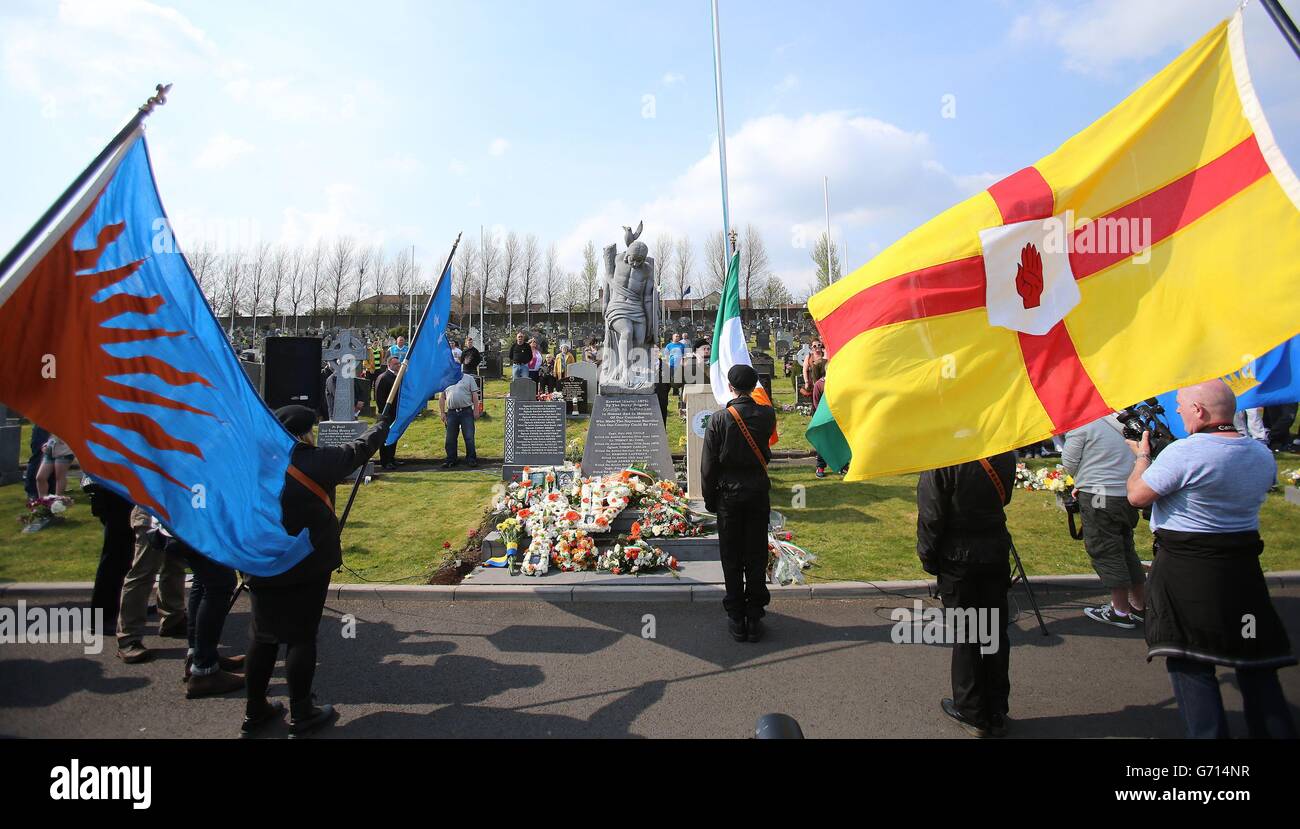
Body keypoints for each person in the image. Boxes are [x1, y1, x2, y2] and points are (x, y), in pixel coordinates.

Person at [1125, 379, 1296, 739]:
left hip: (1188, 570)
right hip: (1242, 569)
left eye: (1182, 405)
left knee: (1191, 662)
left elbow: (1138, 496)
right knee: (1253, 660)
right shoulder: (1261, 455)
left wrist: (1141, 457)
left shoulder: (1185, 453)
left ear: (1199, 411)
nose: (1177, 411)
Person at [242, 405, 391, 739]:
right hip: (305, 565)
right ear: (305, 432)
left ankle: (254, 710)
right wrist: (383, 423)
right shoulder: (313, 461)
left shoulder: (254, 464)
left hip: (262, 562)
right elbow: (358, 450)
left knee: (262, 637)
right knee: (300, 637)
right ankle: (301, 710)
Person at [916, 451, 1017, 738]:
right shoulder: (1004, 451)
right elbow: (1003, 497)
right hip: (993, 550)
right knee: (994, 633)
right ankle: (996, 710)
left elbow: (932, 513)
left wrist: (928, 557)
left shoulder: (945, 455)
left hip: (959, 556)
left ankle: (972, 711)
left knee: (968, 636)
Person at [701, 365, 776, 643]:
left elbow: (709, 465)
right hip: (756, 491)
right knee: (755, 553)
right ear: (754, 385)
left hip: (729, 495)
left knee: (731, 557)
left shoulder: (720, 419)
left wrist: (710, 498)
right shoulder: (767, 414)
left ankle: (737, 616)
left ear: (730, 387)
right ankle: (754, 616)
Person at [1061, 414, 1146, 629]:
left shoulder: (1082, 422)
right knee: (1126, 549)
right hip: (1126, 492)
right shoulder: (1125, 419)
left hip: (1098, 493)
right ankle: (1139, 605)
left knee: (1105, 549)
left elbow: (1069, 462)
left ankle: (1120, 610)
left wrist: (1084, 477)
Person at [168, 533, 245, 698]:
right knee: (220, 584)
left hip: (186, 527)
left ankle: (200, 656)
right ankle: (204, 669)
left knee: (203, 581)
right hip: (196, 525)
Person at [115, 506, 187, 663]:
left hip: (176, 511)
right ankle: (128, 639)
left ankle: (172, 619)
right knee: (143, 573)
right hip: (151, 510)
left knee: (175, 567)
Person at [86, 480, 135, 638]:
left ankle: (121, 605)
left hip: (119, 492)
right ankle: (101, 618)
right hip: (114, 493)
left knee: (126, 556)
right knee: (115, 558)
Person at [439, 370, 481, 468]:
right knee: (450, 438)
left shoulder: (469, 378)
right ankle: (451, 459)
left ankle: (471, 459)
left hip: (466, 411)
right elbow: (442, 397)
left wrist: (476, 410)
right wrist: (442, 412)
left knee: (469, 437)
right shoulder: (446, 379)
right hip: (451, 413)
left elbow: (475, 396)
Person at [373, 356, 402, 470]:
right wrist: (384, 412)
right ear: (389, 365)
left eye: (399, 364)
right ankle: (385, 461)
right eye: (396, 364)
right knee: (386, 438)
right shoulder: (384, 377)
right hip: (386, 414)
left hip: (395, 413)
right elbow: (379, 398)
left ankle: (392, 458)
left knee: (393, 436)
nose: (398, 366)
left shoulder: (396, 377)